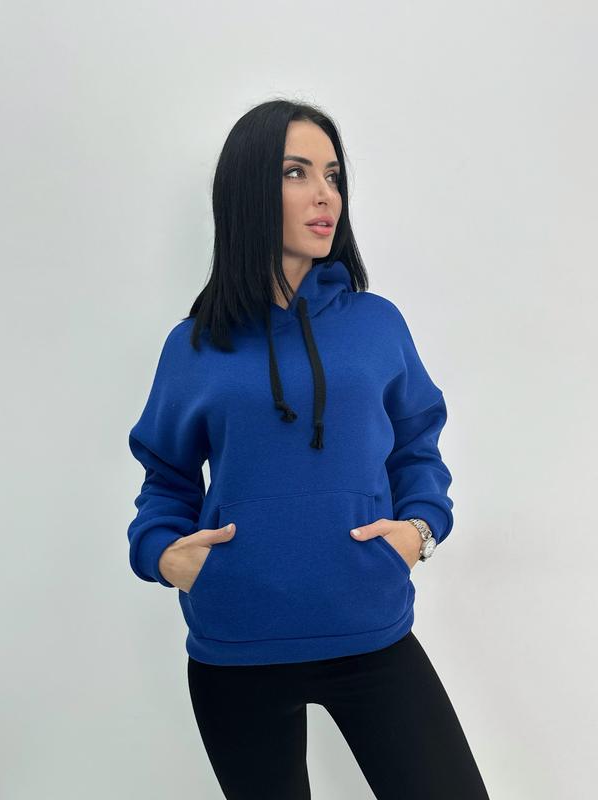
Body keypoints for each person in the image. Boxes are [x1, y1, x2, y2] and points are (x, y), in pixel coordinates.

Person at [126, 99, 490, 799]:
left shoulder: (376, 324)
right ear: (248, 190)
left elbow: (417, 445)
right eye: (297, 173)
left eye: (332, 175)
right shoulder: (196, 345)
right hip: (238, 644)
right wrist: (166, 555)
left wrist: (419, 531)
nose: (325, 195)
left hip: (370, 629)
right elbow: (165, 477)